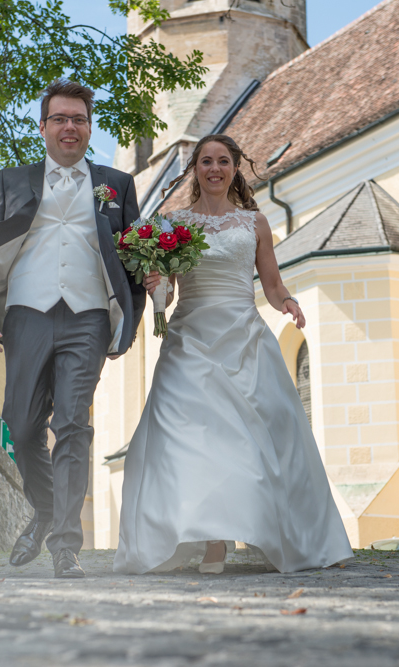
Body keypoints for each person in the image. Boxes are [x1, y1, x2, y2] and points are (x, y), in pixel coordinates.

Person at [113, 134, 354, 575]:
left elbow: (272, 282)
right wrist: (157, 287)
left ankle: (310, 537)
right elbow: (165, 290)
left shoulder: (255, 223)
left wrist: (288, 303)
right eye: (206, 161)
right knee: (187, 438)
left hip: (244, 338)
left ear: (235, 169)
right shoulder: (173, 225)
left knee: (266, 437)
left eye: (223, 161)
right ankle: (213, 540)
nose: (215, 169)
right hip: (189, 339)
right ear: (195, 170)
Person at [0, 79, 144, 578]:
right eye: (60, 118)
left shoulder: (117, 185)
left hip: (87, 317)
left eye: (79, 119)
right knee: (20, 427)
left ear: (89, 128)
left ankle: (66, 544)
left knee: (73, 425)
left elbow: (136, 253)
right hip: (26, 314)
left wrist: (138, 303)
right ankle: (44, 511)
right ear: (43, 127)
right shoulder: (13, 181)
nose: (70, 127)